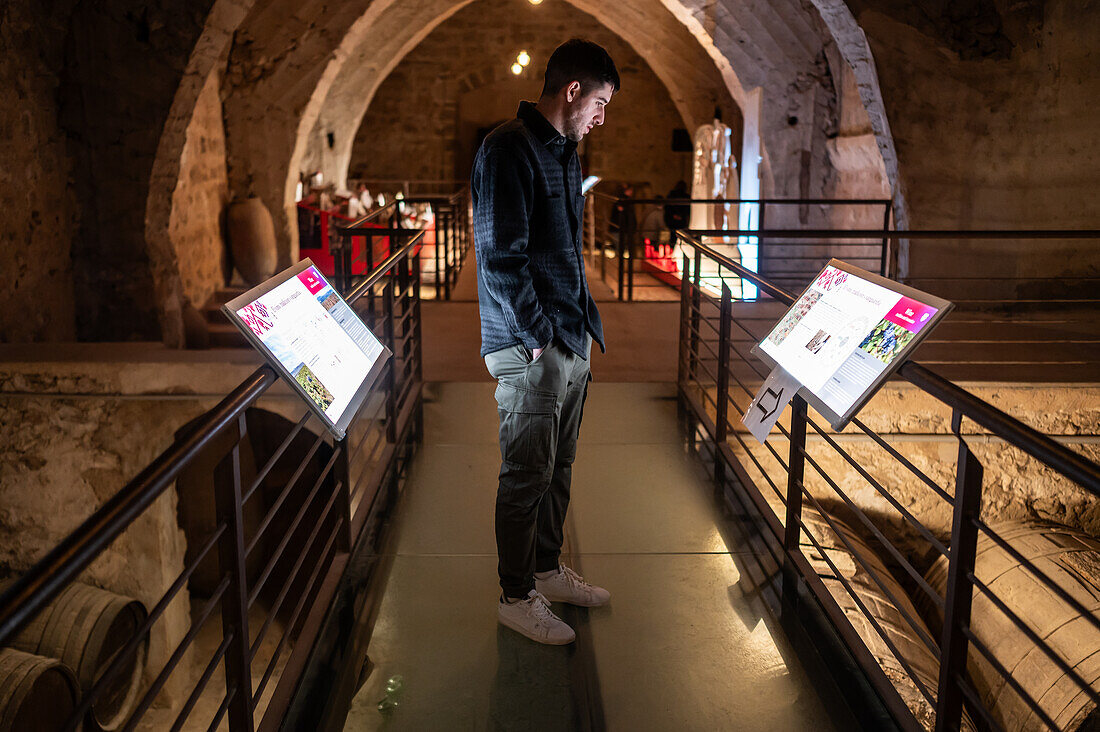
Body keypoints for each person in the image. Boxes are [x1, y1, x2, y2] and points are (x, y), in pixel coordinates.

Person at [472, 39, 619, 645]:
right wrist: (537, 339)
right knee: (525, 472)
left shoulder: (565, 150)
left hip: (569, 336)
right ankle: (515, 594)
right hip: (529, 342)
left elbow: (559, 251)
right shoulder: (507, 147)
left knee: (558, 466)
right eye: (601, 103)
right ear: (573, 91)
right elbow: (500, 257)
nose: (602, 118)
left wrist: (579, 331)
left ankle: (546, 569)